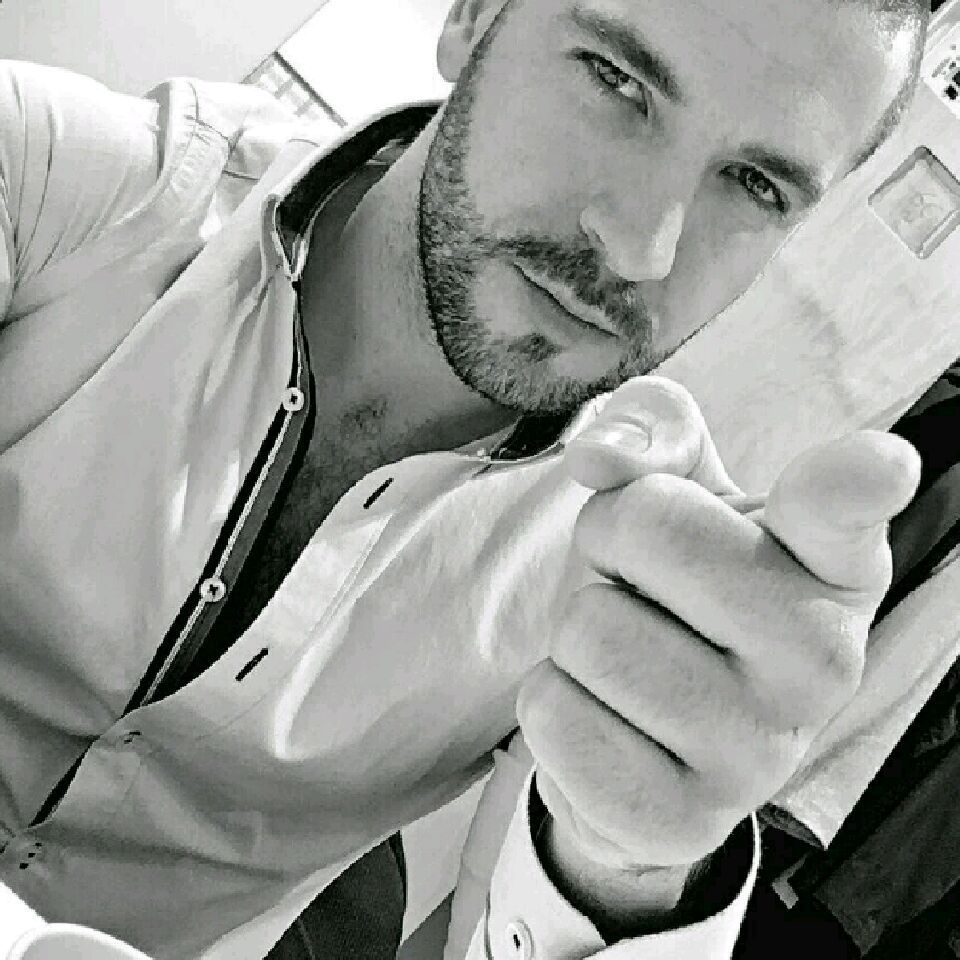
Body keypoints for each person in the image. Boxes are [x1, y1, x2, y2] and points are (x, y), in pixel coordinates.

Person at [0, 0, 932, 957]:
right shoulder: (63, 179)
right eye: (616, 81)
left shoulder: (625, 572)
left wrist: (631, 870)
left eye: (755, 185)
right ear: (472, 18)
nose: (640, 248)